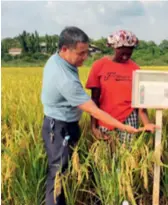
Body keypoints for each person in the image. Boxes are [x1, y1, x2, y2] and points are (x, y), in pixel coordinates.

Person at [41, 26, 147, 205]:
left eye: (86, 52)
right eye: (81, 54)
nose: (85, 58)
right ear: (65, 49)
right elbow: (93, 108)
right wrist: (120, 127)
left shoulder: (59, 59)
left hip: (67, 124)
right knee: (59, 172)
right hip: (58, 127)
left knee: (63, 171)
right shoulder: (64, 77)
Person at [86, 30, 157, 145]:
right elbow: (94, 99)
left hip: (128, 117)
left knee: (127, 153)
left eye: (129, 54)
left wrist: (146, 123)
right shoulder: (99, 66)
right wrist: (94, 127)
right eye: (122, 53)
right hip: (105, 118)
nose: (125, 57)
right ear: (115, 48)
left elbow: (141, 101)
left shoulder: (135, 69)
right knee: (106, 155)